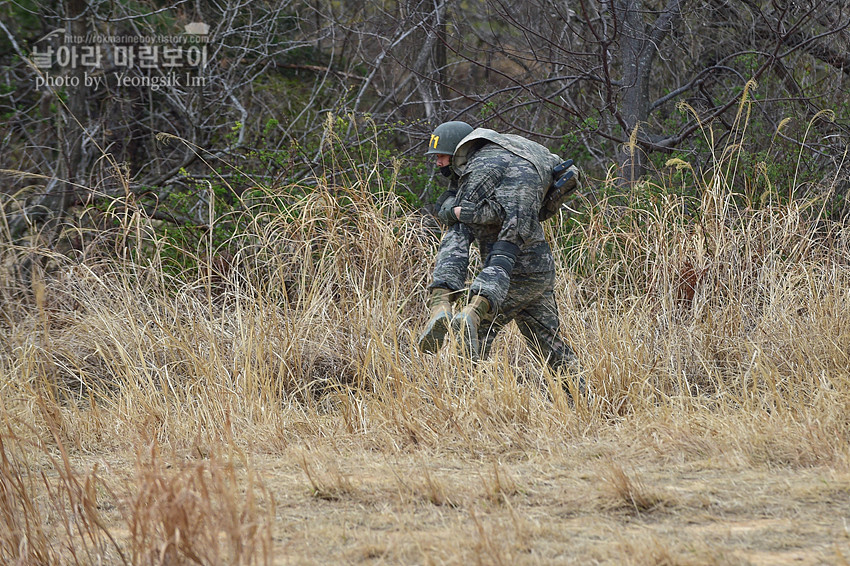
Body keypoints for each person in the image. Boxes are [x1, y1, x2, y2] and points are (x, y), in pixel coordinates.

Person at [417, 120, 583, 392]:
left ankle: (463, 408)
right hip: (539, 269)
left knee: (470, 335)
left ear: (458, 151)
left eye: (440, 156)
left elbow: (463, 226)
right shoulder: (515, 156)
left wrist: (455, 212)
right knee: (552, 347)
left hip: (511, 274)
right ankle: (588, 403)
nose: (437, 163)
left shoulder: (481, 172)